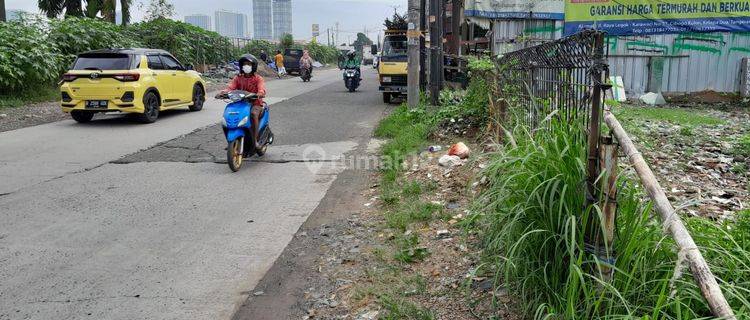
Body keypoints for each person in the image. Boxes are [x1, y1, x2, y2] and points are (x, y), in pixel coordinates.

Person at [216, 56, 267, 149]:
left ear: (253, 66)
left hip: (255, 104)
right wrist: (222, 93)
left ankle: (255, 141)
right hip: (240, 103)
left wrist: (259, 93)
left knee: (253, 114)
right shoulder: (238, 78)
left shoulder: (258, 78)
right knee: (229, 114)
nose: (246, 66)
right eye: (244, 64)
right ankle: (231, 141)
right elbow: (230, 88)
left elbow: (261, 89)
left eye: (249, 64)